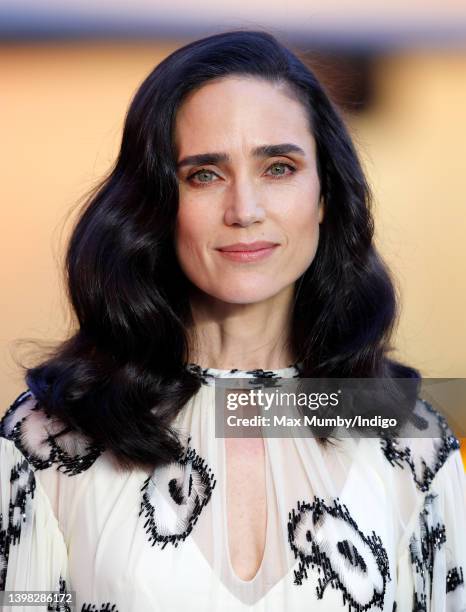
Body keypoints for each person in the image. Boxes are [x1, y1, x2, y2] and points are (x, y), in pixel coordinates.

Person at [1, 29, 465, 612]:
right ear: (155, 204)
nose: (244, 210)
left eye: (278, 167)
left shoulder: (412, 442)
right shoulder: (49, 437)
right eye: (204, 174)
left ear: (325, 195)